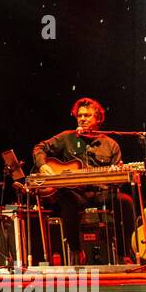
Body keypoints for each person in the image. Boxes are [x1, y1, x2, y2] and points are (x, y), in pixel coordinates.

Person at [32, 97, 136, 263]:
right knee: (67, 199)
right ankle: (76, 251)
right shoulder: (67, 137)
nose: (82, 118)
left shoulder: (111, 145)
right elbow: (39, 148)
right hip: (77, 193)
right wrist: (43, 165)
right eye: (79, 115)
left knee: (126, 202)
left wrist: (116, 175)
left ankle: (124, 253)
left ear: (98, 119)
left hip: (101, 193)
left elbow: (118, 181)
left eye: (87, 115)